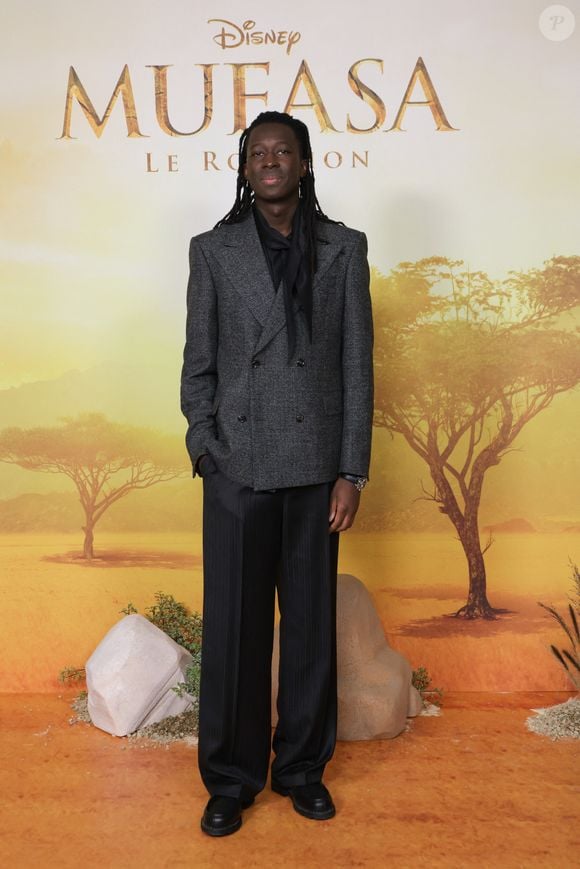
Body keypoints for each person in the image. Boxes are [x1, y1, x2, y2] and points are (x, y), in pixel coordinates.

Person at [180, 110, 373, 837]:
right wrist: (206, 445)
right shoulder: (213, 249)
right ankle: (230, 778)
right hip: (238, 466)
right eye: (257, 151)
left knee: (309, 631)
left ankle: (300, 768)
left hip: (316, 471)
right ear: (245, 167)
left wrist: (351, 469)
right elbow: (197, 363)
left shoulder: (344, 249)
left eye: (281, 151)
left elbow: (358, 367)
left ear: (302, 164)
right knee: (233, 629)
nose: (269, 161)